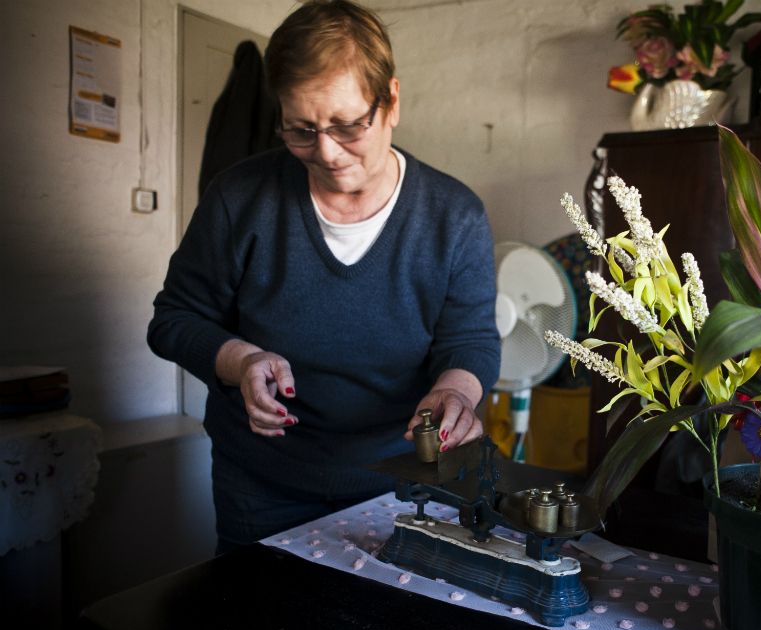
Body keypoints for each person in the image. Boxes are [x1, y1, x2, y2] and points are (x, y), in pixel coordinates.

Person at [148, 0, 500, 554]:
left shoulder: (453, 216)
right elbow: (173, 318)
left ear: (392, 103)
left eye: (347, 125)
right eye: (301, 131)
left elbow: (471, 339)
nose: (327, 153)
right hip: (261, 485)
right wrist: (239, 360)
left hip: (403, 483)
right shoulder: (239, 198)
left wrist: (455, 390)